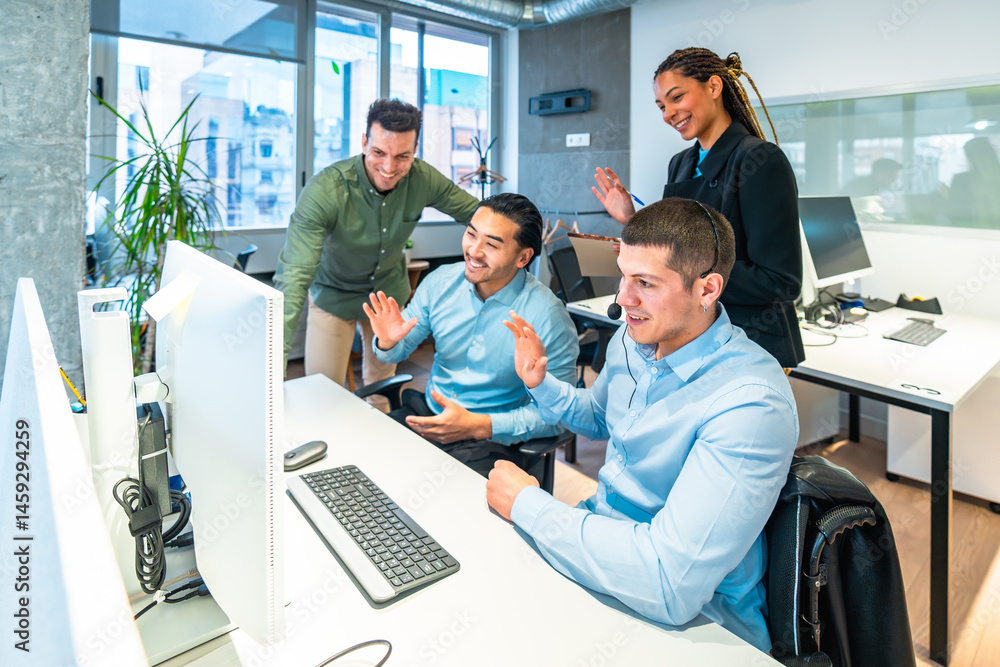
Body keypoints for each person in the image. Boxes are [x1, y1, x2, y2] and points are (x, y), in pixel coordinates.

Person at [488, 197, 798, 652]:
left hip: (694, 624)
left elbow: (668, 584)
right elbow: (599, 417)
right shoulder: (635, 342)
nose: (622, 299)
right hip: (602, 557)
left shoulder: (750, 404)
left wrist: (530, 505)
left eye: (645, 283)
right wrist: (542, 383)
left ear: (708, 289)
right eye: (623, 276)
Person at [593, 48, 804, 367]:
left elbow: (780, 280)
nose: (668, 113)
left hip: (748, 342)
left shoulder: (759, 160)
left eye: (677, 98)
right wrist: (631, 219)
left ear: (714, 87)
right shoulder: (680, 164)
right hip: (691, 337)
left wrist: (686, 275)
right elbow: (680, 244)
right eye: (662, 106)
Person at [362, 193, 579, 476]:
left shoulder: (547, 316)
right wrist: (389, 341)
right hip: (428, 413)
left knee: (448, 509)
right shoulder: (440, 282)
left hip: (490, 436)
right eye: (471, 234)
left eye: (491, 244)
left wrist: (480, 425)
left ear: (523, 257)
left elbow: (559, 415)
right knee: (365, 462)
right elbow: (396, 351)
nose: (474, 251)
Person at [274, 98, 479, 392]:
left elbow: (478, 216)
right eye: (379, 152)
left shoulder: (423, 178)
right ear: (363, 142)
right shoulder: (326, 190)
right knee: (320, 393)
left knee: (383, 392)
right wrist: (272, 362)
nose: (389, 167)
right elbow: (293, 277)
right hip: (333, 295)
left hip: (387, 297)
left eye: (402, 157)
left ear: (415, 151)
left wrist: (514, 238)